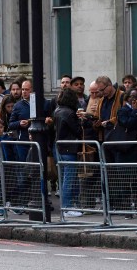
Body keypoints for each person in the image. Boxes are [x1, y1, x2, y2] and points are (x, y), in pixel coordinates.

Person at [54, 88, 82, 217]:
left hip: (60, 147)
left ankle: (68, 205)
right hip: (69, 148)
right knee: (69, 179)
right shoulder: (69, 113)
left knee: (65, 178)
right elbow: (77, 130)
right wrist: (82, 121)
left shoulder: (58, 111)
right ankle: (67, 207)